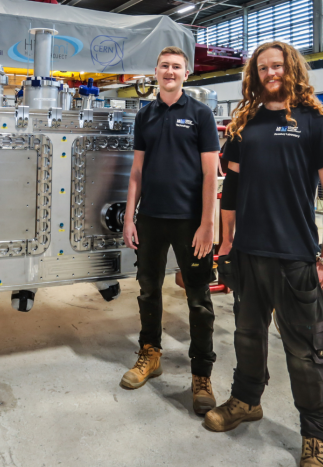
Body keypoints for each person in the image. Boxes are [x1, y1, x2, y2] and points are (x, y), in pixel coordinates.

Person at [208, 41, 323, 467]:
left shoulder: (317, 121)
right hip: (248, 253)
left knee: (305, 353)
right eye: (263, 68)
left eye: (278, 66)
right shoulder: (243, 123)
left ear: (293, 69)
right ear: (254, 75)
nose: (271, 73)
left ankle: (316, 434)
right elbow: (229, 188)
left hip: (296, 258)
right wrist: (226, 243)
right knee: (247, 337)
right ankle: (247, 401)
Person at [121, 46, 221, 416]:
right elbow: (137, 172)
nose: (170, 71)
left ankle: (201, 374)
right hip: (151, 218)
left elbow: (212, 173)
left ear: (186, 73)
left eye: (176, 67)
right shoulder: (145, 115)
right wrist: (130, 217)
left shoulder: (200, 114)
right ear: (156, 71)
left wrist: (208, 223)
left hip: (190, 221)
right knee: (148, 290)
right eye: (164, 66)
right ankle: (150, 354)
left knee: (198, 299)